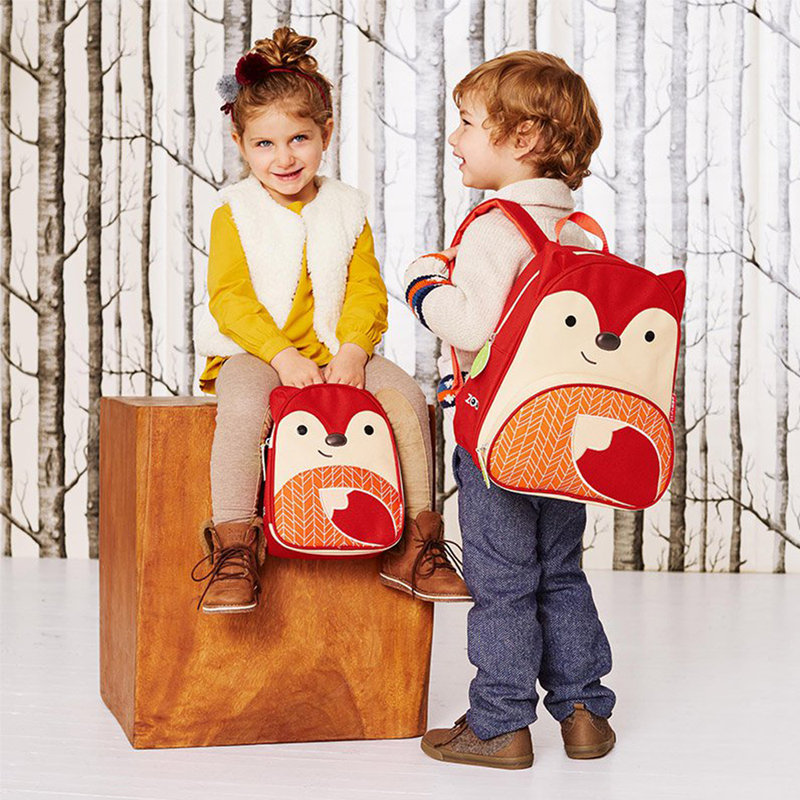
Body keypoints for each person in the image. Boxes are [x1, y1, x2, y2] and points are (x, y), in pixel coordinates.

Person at [192, 27, 469, 613]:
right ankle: (235, 548)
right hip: (255, 353)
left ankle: (416, 545)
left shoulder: (347, 207)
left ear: (327, 134)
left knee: (405, 400)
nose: (284, 157)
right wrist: (281, 355)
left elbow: (366, 289)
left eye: (299, 139)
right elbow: (230, 299)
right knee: (242, 409)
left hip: (336, 352)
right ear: (240, 143)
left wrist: (353, 349)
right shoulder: (233, 211)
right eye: (265, 144)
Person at [404, 51, 616, 770]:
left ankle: (499, 724)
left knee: (502, 583)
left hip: (496, 444)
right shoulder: (580, 232)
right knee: (561, 571)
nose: (455, 138)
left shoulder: (497, 226)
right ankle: (585, 713)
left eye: (467, 123)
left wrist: (423, 281)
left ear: (522, 138)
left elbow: (470, 326)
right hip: (563, 439)